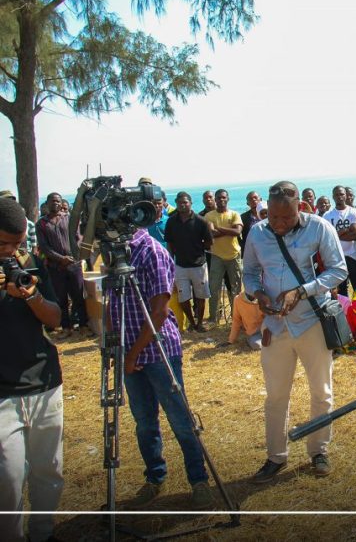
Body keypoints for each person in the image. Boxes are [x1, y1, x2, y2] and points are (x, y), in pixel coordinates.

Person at [243, 181, 347, 482]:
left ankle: (319, 451)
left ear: (299, 207)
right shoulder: (258, 233)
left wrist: (301, 292)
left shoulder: (319, 228)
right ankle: (276, 456)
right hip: (274, 326)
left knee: (321, 392)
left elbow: (338, 270)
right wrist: (258, 294)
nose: (278, 224)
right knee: (276, 395)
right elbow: (249, 272)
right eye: (273, 217)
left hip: (312, 321)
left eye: (286, 218)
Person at [107, 225, 214, 509]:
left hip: (156, 351)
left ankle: (199, 480)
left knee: (180, 420)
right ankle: (155, 477)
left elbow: (159, 311)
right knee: (144, 422)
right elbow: (111, 304)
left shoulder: (151, 252)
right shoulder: (115, 254)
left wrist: (132, 356)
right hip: (128, 351)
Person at [0, 198, 64, 542]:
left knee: (48, 471)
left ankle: (43, 533)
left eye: (18, 243)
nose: (11, 252)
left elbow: (55, 319)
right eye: (3, 244)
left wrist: (30, 296)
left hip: (44, 382)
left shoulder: (30, 264)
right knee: (7, 481)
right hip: (3, 395)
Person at [35, 192, 90, 338]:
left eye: (58, 201)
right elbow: (44, 247)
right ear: (47, 204)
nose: (56, 203)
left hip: (74, 264)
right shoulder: (41, 224)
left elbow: (79, 238)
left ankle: (84, 325)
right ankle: (66, 327)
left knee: (78, 295)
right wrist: (61, 259)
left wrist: (73, 255)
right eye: (52, 201)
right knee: (61, 298)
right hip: (56, 267)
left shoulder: (70, 219)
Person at [164, 192, 213, 332]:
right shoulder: (171, 222)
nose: (183, 205)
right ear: (176, 203)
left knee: (201, 296)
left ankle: (200, 323)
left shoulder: (200, 221)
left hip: (199, 265)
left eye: (185, 202)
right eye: (180, 202)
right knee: (183, 298)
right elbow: (170, 244)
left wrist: (197, 247)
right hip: (180, 266)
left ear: (191, 202)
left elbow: (209, 242)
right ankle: (191, 322)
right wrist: (171, 263)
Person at [204, 189, 243, 324]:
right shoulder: (209, 216)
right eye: (218, 198)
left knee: (236, 289)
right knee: (213, 289)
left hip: (234, 256)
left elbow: (237, 232)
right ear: (215, 199)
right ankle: (213, 318)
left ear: (228, 198)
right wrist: (228, 230)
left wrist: (219, 228)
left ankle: (236, 317)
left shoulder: (234, 214)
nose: (221, 200)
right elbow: (210, 234)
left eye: (223, 197)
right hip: (217, 256)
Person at [323, 186, 356, 295]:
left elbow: (354, 235)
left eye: (341, 194)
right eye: (337, 195)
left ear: (345, 195)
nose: (339, 197)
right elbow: (326, 238)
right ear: (333, 197)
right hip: (336, 259)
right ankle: (344, 312)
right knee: (340, 293)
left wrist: (335, 235)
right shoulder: (327, 216)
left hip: (353, 257)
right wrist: (345, 230)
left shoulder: (353, 212)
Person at [240, 191, 262, 255]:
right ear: (247, 203)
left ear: (260, 200)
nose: (253, 200)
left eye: (255, 198)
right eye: (250, 199)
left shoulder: (269, 214)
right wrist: (243, 245)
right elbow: (238, 234)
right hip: (251, 250)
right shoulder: (243, 217)